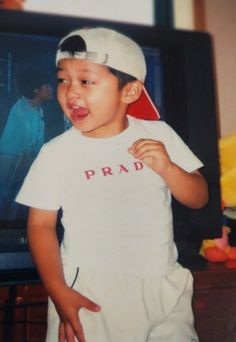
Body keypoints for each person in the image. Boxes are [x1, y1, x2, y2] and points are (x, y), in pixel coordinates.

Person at [16, 27, 208, 342]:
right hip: (94, 294)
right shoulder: (57, 153)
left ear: (130, 92)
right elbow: (40, 225)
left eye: (86, 81)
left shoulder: (159, 134)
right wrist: (57, 290)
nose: (70, 92)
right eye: (63, 80)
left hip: (165, 282)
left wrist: (169, 169)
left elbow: (199, 198)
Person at [0, 68, 53, 218]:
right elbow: (28, 146)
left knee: (16, 196)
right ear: (36, 90)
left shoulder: (36, 109)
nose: (51, 89)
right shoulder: (22, 108)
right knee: (6, 195)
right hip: (12, 158)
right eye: (47, 86)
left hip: (22, 158)